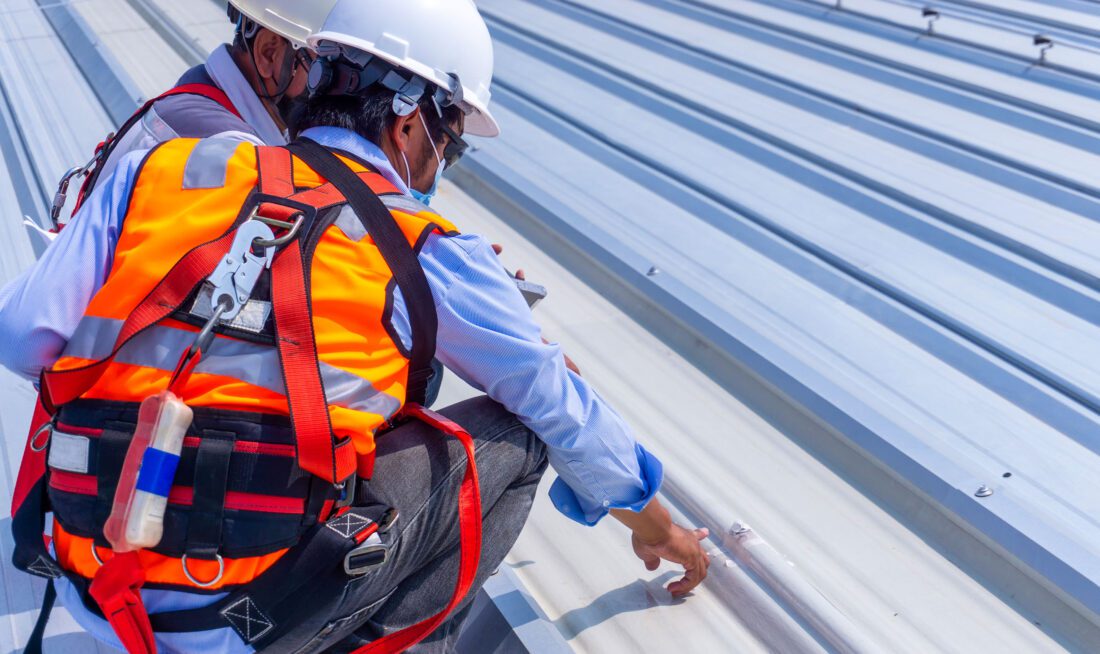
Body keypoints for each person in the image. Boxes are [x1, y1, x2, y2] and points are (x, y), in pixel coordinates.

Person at [0, 1, 710, 652]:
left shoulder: (158, 171)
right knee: (518, 435)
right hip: (250, 618)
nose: (443, 165)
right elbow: (555, 401)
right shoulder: (423, 244)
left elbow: (23, 335)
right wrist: (662, 527)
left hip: (94, 585)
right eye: (451, 144)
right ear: (409, 123)